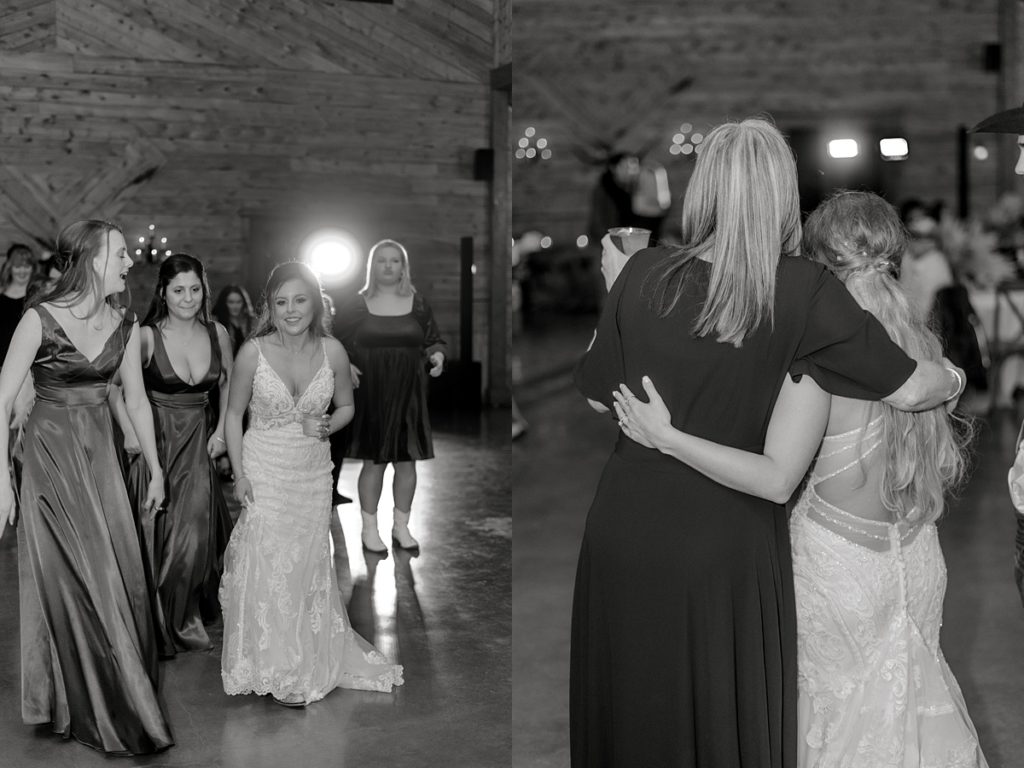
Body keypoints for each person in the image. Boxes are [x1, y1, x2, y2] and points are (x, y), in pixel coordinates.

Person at [572, 118, 965, 768]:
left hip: (623, 526)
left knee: (637, 710)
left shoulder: (641, 272)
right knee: (719, 716)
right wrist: (954, 376)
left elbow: (593, 392)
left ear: (704, 189)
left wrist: (616, 293)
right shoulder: (802, 289)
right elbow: (910, 389)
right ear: (783, 193)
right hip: (724, 533)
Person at [0, 219, 173, 754]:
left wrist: (158, 468)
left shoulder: (124, 323)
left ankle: (106, 691)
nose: (129, 263)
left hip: (101, 462)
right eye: (120, 254)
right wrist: (3, 480)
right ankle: (85, 701)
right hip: (49, 463)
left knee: (113, 573)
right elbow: (1, 399)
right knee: (69, 578)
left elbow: (138, 401)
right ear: (94, 259)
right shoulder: (40, 318)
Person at [220, 261, 403, 706]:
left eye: (299, 299)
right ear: (270, 307)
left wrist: (325, 425)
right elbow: (231, 414)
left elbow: (346, 408)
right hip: (265, 466)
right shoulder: (253, 353)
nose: (290, 310)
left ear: (315, 302)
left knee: (305, 565)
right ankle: (272, 663)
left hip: (312, 473)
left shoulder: (333, 351)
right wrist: (239, 475)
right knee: (267, 562)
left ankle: (302, 656)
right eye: (281, 302)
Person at [122, 253, 233, 657]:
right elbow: (119, 390)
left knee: (195, 538)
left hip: (199, 446)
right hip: (158, 445)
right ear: (163, 293)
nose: (188, 298)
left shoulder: (217, 331)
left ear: (204, 290)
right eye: (178, 290)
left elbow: (231, 386)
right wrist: (135, 439)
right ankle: (159, 621)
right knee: (159, 538)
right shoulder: (146, 335)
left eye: (194, 289)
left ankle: (183, 617)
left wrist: (221, 431)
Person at [336, 239, 446, 555]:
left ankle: (401, 526)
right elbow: (335, 343)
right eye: (382, 260)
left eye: (394, 260)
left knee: (407, 460)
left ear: (403, 266)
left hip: (409, 391)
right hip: (373, 391)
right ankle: (369, 530)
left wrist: (437, 356)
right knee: (375, 460)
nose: (388, 266)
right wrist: (346, 365)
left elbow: (433, 340)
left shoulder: (419, 302)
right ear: (373, 266)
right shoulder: (357, 304)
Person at [0, 244, 38, 364]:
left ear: (33, 268)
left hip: (28, 364)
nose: (22, 271)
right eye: (17, 267)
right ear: (10, 268)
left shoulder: (39, 296)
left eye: (26, 266)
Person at [212, 283, 255, 356]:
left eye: (238, 302)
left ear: (244, 303)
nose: (235, 306)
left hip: (249, 364)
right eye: (231, 302)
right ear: (224, 303)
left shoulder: (252, 321)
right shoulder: (215, 323)